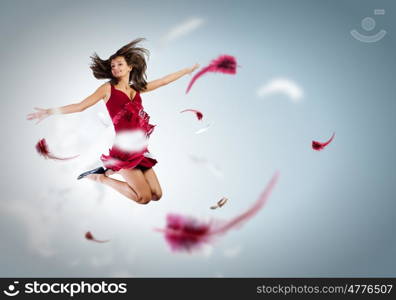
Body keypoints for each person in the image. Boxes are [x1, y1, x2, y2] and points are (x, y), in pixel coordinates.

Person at [27, 38, 199, 205]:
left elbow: (162, 82)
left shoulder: (135, 89)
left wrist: (187, 71)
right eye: (113, 66)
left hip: (140, 149)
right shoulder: (107, 89)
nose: (115, 68)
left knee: (157, 195)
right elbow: (80, 106)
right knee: (143, 198)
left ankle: (107, 171)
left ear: (130, 67)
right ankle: (100, 177)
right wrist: (49, 111)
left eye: (119, 64)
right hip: (123, 151)